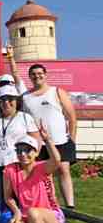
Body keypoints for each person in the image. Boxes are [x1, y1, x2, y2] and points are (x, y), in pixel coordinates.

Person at [4, 132, 65, 223]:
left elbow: (56, 160)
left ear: (36, 153)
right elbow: (8, 196)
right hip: (27, 216)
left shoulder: (42, 167)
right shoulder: (10, 170)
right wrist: (16, 212)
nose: (23, 154)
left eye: (27, 150)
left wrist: (47, 139)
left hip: (52, 217)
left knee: (33, 212)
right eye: (19, 151)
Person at [21, 64, 78, 209]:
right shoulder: (25, 97)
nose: (37, 76)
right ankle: (51, 204)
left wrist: (72, 138)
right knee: (46, 175)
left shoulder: (57, 91)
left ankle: (70, 205)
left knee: (64, 170)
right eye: (33, 74)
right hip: (39, 144)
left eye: (40, 73)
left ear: (45, 75)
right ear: (30, 77)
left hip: (60, 140)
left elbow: (72, 116)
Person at [0, 85, 39, 204]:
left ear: (17, 100)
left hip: (18, 165)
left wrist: (32, 162)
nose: (6, 102)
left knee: (21, 199)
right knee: (0, 200)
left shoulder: (25, 117)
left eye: (10, 99)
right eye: (3, 99)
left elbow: (36, 141)